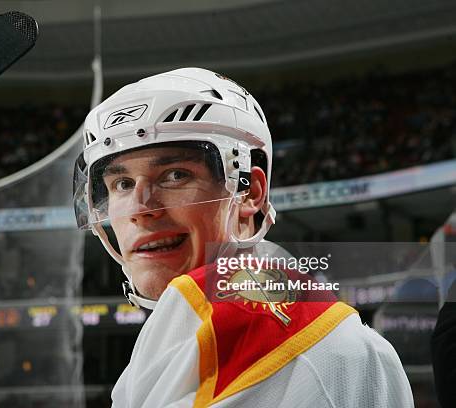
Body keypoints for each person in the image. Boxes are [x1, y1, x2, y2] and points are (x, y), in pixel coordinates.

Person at [73, 68, 413, 407]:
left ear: (250, 193)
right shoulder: (161, 349)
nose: (140, 209)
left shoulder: (327, 353)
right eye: (122, 184)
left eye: (174, 175)